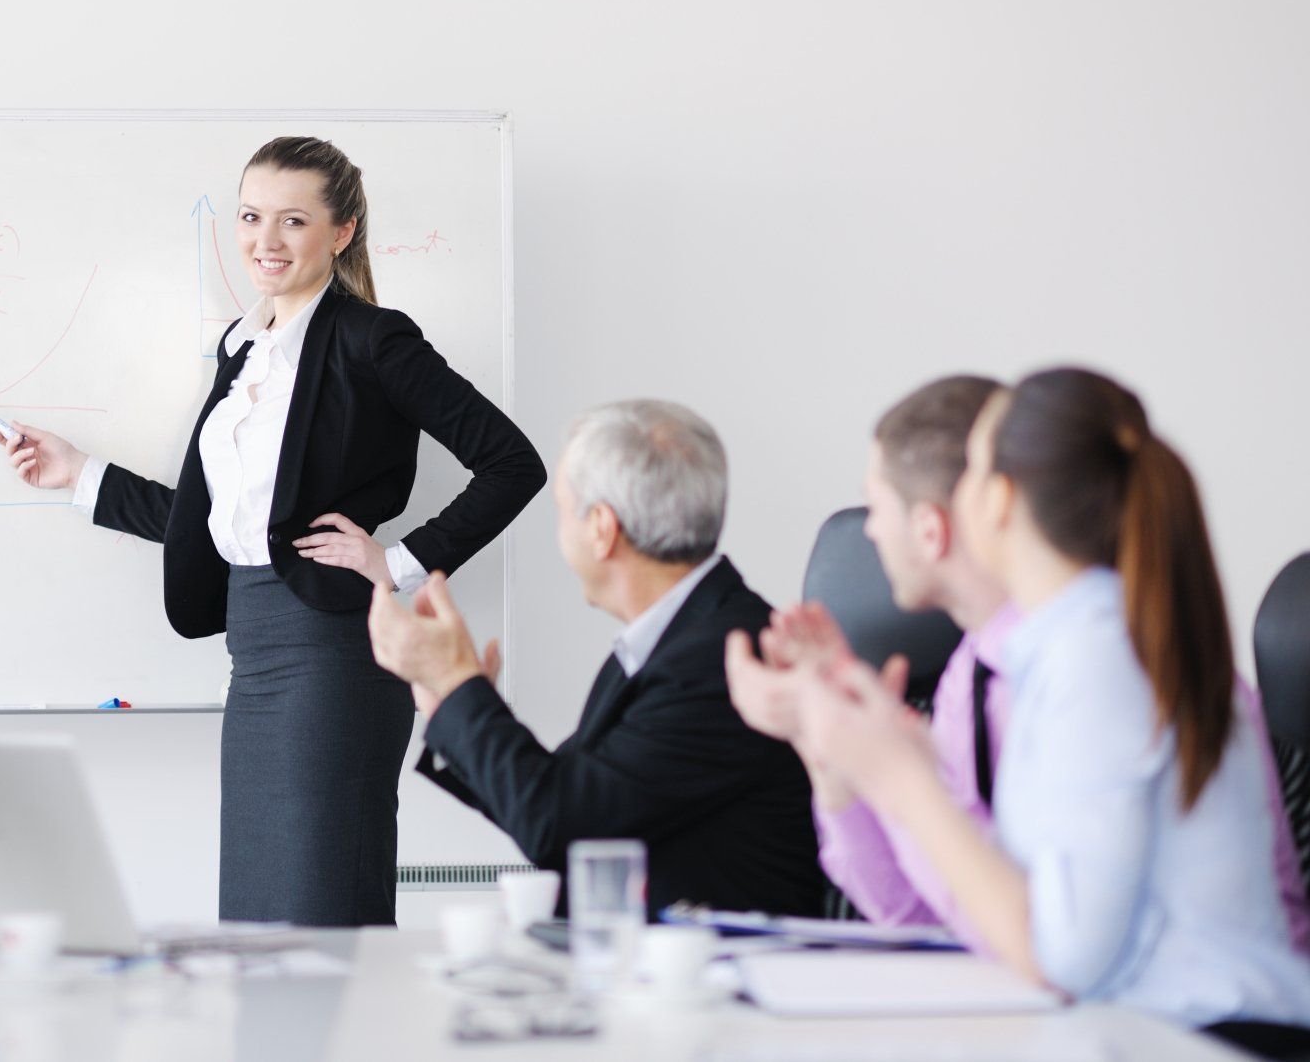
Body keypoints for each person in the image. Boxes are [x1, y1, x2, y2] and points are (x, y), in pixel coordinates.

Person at [0, 137, 545, 927]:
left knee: (320, 912)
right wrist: (78, 472)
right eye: (252, 217)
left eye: (294, 220)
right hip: (251, 659)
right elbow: (217, 520)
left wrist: (395, 563)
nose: (266, 240)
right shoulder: (242, 349)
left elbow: (512, 462)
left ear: (342, 232)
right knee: (256, 924)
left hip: (335, 656)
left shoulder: (374, 339)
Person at [789, 368, 1310, 1026]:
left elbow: (1064, 958)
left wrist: (903, 775)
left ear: (1000, 499)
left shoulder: (1103, 658)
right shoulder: (1062, 651)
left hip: (1204, 1036)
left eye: (971, 469)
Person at [367, 400, 821, 918]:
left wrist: (458, 685)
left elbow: (561, 825)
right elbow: (566, 794)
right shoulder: (677, 636)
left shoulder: (722, 659)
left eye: (563, 511)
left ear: (601, 528)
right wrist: (453, 697)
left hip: (723, 976)